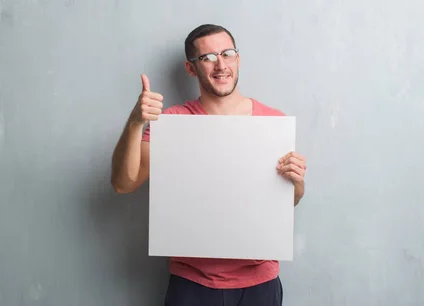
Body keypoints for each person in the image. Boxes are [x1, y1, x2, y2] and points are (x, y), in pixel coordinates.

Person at [110, 24, 307, 306]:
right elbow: (123, 183)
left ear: (238, 58)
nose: (220, 65)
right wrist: (135, 122)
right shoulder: (173, 122)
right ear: (191, 69)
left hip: (261, 283)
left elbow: (287, 200)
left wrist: (297, 183)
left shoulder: (272, 121)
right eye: (208, 58)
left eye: (227, 54)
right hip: (194, 282)